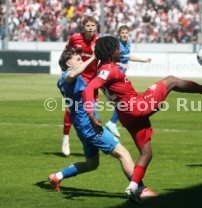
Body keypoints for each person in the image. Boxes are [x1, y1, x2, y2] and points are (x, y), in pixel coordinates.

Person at [82, 36, 202, 198]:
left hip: (126, 115)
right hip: (137, 106)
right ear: (109, 52)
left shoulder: (102, 67)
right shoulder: (109, 70)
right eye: (117, 48)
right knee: (171, 80)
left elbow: (92, 85)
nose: (120, 50)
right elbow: (88, 89)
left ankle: (133, 188)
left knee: (146, 153)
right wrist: (91, 115)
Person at [49, 48, 157, 199]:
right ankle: (140, 189)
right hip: (91, 126)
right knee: (123, 153)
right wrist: (92, 57)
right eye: (78, 59)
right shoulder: (68, 75)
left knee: (91, 164)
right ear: (68, 63)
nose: (81, 61)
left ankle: (57, 176)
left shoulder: (61, 81)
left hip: (82, 127)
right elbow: (73, 73)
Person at [61, 15, 100, 156]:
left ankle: (97, 139)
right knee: (73, 108)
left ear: (96, 26)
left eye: (93, 25)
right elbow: (66, 54)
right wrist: (65, 71)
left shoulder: (99, 41)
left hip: (94, 80)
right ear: (83, 27)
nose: (90, 28)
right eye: (88, 25)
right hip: (79, 77)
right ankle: (65, 138)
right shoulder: (75, 38)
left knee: (93, 109)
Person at [105, 25, 151, 138]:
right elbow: (109, 59)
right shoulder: (116, 45)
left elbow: (129, 56)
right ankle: (112, 122)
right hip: (113, 78)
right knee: (125, 101)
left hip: (120, 77)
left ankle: (113, 122)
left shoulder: (128, 44)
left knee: (122, 103)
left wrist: (143, 60)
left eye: (126, 33)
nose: (124, 35)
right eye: (122, 33)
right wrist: (121, 64)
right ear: (119, 34)